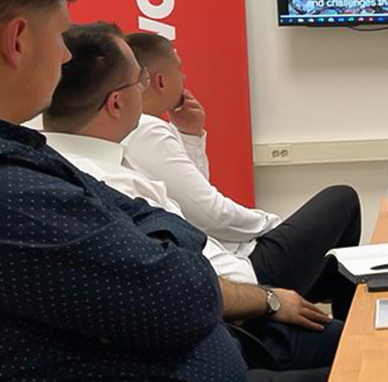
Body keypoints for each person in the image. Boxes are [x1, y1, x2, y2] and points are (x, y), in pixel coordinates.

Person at [0, 0, 247, 380]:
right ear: (17, 41)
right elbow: (184, 295)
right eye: (61, 36)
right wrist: (159, 242)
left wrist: (158, 240)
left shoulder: (7, 148)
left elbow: (158, 225)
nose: (66, 57)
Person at [41, 22, 342, 378]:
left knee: (347, 292)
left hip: (228, 305)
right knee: (362, 342)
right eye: (139, 81)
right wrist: (269, 297)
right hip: (225, 325)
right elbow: (189, 264)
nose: (146, 89)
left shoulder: (69, 162)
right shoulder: (102, 184)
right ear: (116, 103)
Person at [123, 32, 361, 319]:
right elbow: (211, 214)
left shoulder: (138, 133)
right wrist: (271, 225)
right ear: (160, 80)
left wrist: (190, 136)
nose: (184, 78)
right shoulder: (148, 130)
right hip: (243, 272)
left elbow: (193, 200)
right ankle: (345, 325)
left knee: (340, 269)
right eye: (179, 69)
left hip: (229, 265)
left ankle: (338, 324)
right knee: (343, 199)